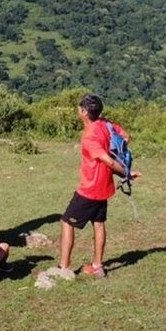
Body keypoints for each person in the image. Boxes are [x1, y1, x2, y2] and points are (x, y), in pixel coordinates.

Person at [58, 93, 141, 278]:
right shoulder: (107, 124)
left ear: (85, 112)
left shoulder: (89, 136)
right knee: (98, 223)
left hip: (90, 188)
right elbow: (126, 137)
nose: (78, 110)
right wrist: (123, 165)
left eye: (80, 108)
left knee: (66, 222)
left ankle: (63, 268)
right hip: (105, 186)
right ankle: (97, 265)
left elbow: (107, 161)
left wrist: (125, 172)